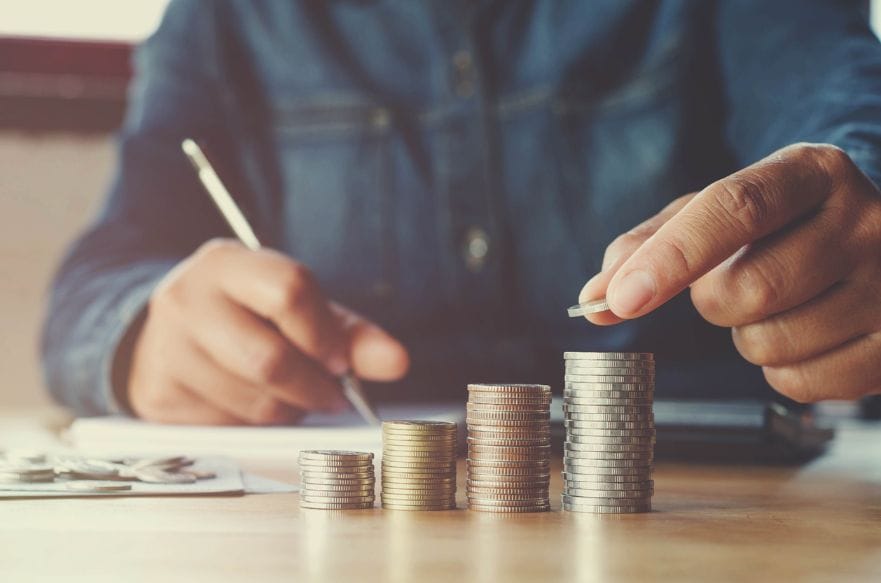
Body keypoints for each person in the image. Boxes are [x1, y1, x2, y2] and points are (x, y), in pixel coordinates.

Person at [42, 1, 881, 425]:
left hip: (721, 514)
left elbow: (850, 133)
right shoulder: (225, 16)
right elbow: (95, 285)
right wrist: (144, 334)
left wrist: (855, 230)